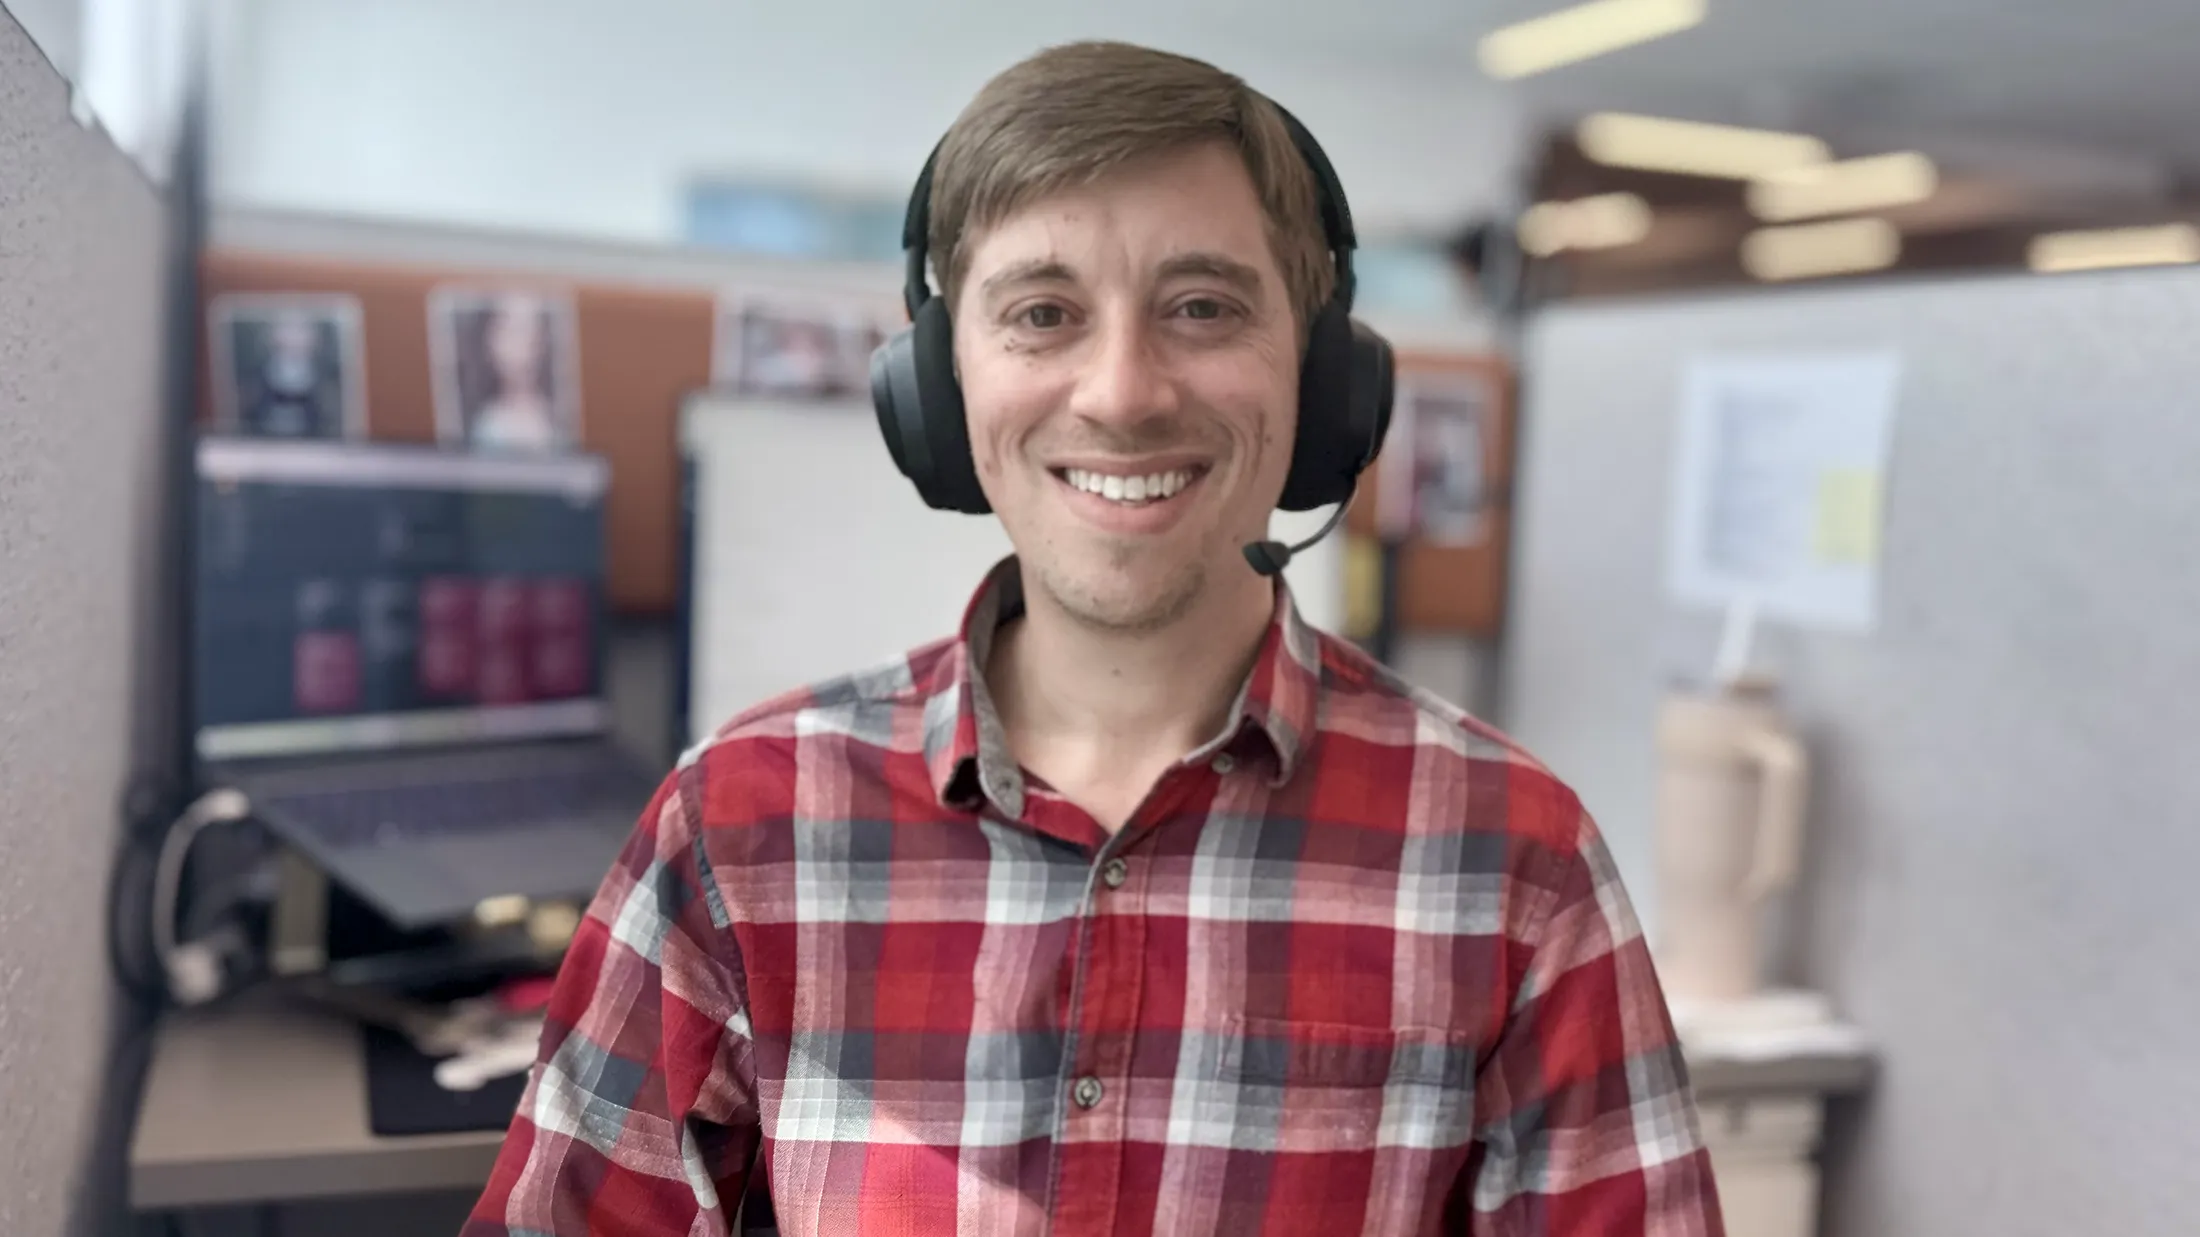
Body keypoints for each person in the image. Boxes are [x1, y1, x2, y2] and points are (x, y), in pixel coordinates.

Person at [464, 40, 1723, 1237]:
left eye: (1203, 307)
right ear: (940, 387)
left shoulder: (1512, 862)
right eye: (1042, 312)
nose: (1122, 393)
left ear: (1320, 377)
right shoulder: (741, 828)